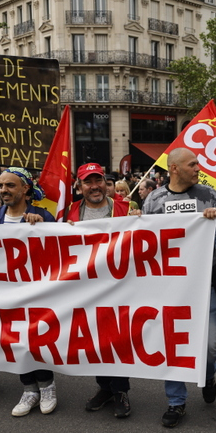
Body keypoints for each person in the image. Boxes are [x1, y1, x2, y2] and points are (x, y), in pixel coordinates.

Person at [143, 148, 216, 427]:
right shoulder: (154, 200)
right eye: (192, 164)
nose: (198, 168)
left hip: (205, 284)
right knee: (173, 343)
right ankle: (176, 402)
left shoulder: (208, 195)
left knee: (210, 345)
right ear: (174, 169)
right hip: (169, 286)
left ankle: (208, 374)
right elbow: (142, 240)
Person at [0, 168, 57, 417]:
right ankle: (29, 389)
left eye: (10, 185)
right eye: (1, 185)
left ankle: (47, 386)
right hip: (6, 293)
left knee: (36, 339)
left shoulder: (43, 215)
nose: (3, 190)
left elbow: (61, 248)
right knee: (15, 340)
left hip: (36, 292)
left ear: (25, 189)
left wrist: (44, 227)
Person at [64, 163, 133, 418]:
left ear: (105, 182)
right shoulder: (68, 213)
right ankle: (104, 388)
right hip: (85, 288)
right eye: (87, 182)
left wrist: (141, 222)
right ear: (79, 186)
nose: (94, 186)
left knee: (117, 338)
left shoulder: (126, 209)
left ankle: (120, 390)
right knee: (95, 339)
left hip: (119, 286)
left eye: (98, 180)